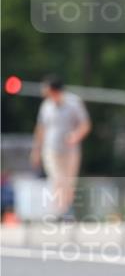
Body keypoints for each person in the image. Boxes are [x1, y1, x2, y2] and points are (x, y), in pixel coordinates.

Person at [31, 75, 91, 219]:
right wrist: (36, 150)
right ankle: (58, 211)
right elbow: (41, 129)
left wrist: (75, 136)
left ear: (53, 89)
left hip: (70, 150)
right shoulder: (46, 106)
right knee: (56, 179)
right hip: (51, 150)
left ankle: (66, 211)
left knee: (69, 181)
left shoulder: (74, 102)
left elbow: (85, 125)